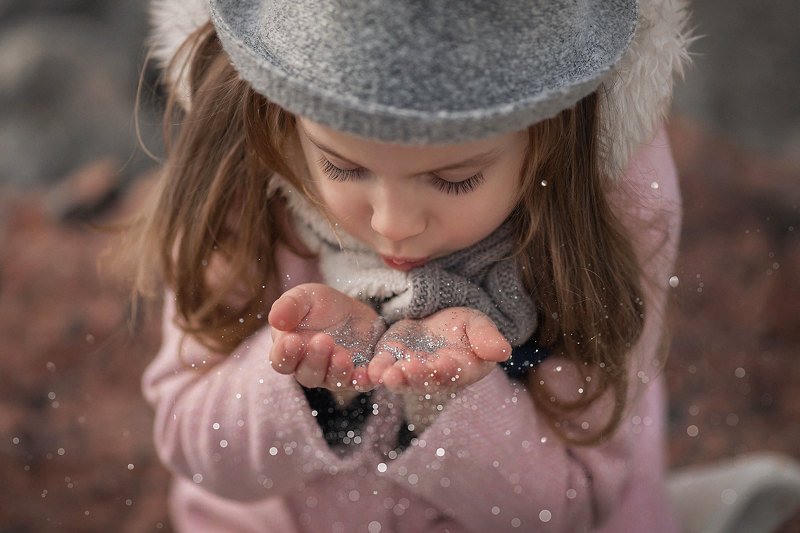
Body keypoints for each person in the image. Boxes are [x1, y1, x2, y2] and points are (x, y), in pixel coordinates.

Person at [131, 0, 691, 531]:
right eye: (344, 167)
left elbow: (570, 509)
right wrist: (316, 387)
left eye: (453, 179)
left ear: (553, 137)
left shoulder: (606, 210)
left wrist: (446, 400)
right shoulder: (247, 170)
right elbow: (191, 442)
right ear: (282, 116)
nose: (393, 223)